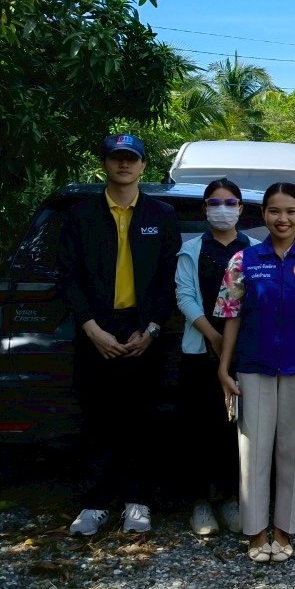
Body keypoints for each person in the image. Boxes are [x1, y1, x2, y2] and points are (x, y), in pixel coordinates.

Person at [59, 134, 180, 537]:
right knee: (95, 417)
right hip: (94, 328)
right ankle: (93, 504)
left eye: (132, 159)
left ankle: (136, 502)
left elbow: (169, 280)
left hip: (143, 331)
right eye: (117, 159)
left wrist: (152, 329)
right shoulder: (80, 216)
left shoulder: (161, 215)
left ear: (143, 166)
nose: (124, 165)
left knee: (140, 419)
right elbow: (69, 278)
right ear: (105, 164)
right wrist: (90, 327)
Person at [216, 183, 295, 563]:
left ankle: (285, 529)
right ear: (263, 214)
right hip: (254, 366)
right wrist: (224, 368)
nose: (283, 219)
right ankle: (256, 532)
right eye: (275, 211)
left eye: (291, 211)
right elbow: (230, 318)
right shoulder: (242, 261)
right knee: (254, 451)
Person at [176, 178, 252, 537]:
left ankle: (231, 499)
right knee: (198, 426)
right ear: (204, 208)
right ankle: (200, 503)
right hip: (200, 348)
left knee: (233, 427)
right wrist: (214, 336)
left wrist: (232, 344)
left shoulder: (252, 249)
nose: (223, 208)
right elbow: (185, 296)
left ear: (241, 208)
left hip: (243, 352)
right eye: (214, 202)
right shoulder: (191, 249)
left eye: (230, 201)